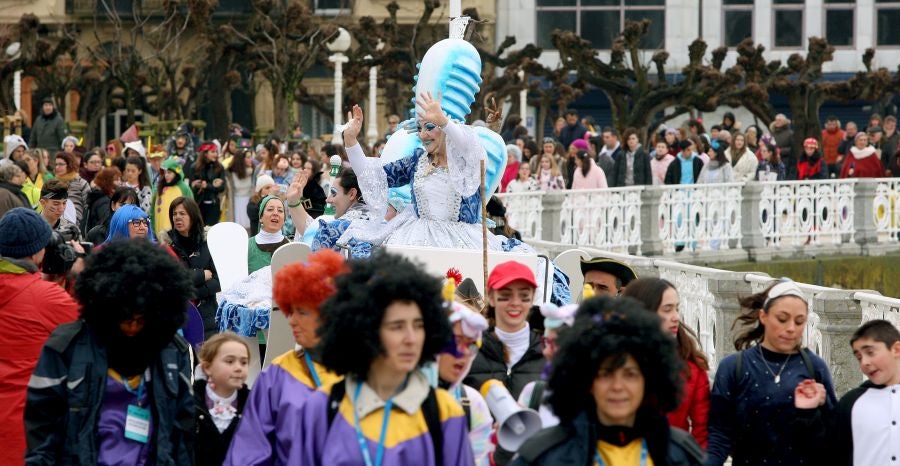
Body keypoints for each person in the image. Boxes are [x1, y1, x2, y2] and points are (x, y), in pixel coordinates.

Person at [295, 251, 474, 466]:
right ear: (367, 330)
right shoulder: (322, 407)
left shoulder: (445, 412)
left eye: (418, 326)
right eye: (397, 326)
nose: (411, 339)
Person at [24, 240, 195, 465]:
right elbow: (42, 431)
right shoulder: (65, 347)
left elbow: (182, 431)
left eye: (141, 320)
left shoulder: (171, 352)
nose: (133, 327)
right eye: (125, 318)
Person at [511, 297, 704, 466]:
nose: (617, 387)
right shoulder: (543, 456)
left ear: (649, 380)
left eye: (630, 375)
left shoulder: (681, 454)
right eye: (606, 374)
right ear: (586, 381)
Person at [223, 249, 346, 466]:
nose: (292, 321)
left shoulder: (359, 370)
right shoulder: (276, 376)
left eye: (303, 312)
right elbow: (249, 450)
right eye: (291, 311)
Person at [706, 280, 837, 466]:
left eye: (799, 321)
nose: (791, 328)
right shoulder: (734, 367)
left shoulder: (814, 367)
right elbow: (720, 433)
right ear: (763, 316)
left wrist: (820, 406)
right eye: (782, 319)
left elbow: (834, 436)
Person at [0, 208, 79, 466]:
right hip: (25, 434)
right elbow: (92, 331)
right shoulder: (48, 298)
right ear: (36, 252)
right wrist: (77, 276)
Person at [624, 278, 709, 448]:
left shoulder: (691, 367)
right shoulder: (614, 362)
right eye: (667, 309)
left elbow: (704, 431)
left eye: (677, 309)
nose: (676, 317)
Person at [824, 319, 900, 465]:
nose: (864, 363)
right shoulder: (850, 403)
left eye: (870, 353)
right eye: (859, 357)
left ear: (896, 349)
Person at [466, 261, 545, 399]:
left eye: (524, 295)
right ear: (491, 297)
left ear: (532, 298)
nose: (515, 303)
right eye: (506, 295)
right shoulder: (470, 351)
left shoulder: (548, 353)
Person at [437, 297, 494, 466]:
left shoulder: (471, 403)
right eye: (456, 341)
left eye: (471, 345)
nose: (464, 353)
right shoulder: (397, 396)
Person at [158, 197, 220, 339]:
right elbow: (172, 283)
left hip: (207, 314)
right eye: (174, 214)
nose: (177, 218)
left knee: (207, 359)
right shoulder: (167, 246)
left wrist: (188, 292)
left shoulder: (208, 242)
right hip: (179, 315)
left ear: (193, 216)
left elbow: (218, 280)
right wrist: (202, 275)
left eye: (182, 213)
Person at [516, 302, 578, 428]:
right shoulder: (533, 392)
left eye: (555, 343)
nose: (546, 351)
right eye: (546, 342)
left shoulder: (603, 399)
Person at [195, 332, 250, 466]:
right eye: (230, 361)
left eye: (244, 362)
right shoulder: (190, 401)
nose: (238, 368)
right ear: (207, 368)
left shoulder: (253, 404)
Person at [151, 157, 193, 235]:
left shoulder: (183, 188)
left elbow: (191, 209)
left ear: (176, 173)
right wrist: (153, 226)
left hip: (177, 233)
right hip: (159, 232)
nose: (166, 175)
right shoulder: (159, 188)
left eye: (169, 172)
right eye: (165, 172)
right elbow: (153, 209)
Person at [248, 194, 289, 273]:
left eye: (280, 210)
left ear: (284, 219)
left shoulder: (291, 246)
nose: (275, 213)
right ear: (261, 217)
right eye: (270, 209)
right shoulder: (247, 247)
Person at [191, 142, 228, 226]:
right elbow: (191, 187)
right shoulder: (195, 167)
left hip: (214, 205)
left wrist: (207, 186)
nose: (215, 154)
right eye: (213, 152)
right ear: (205, 153)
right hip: (199, 204)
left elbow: (222, 187)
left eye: (216, 152)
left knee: (211, 231)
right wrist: (197, 185)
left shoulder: (219, 167)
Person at [53, 151, 90, 226]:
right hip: (55, 226)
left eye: (61, 164)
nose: (57, 167)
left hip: (76, 226)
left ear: (70, 165)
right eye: (56, 164)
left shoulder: (81, 183)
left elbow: (88, 208)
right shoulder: (53, 184)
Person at [82, 166, 121, 237]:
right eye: (116, 180)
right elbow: (106, 223)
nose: (119, 182)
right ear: (107, 181)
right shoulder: (104, 202)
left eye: (119, 179)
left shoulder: (100, 197)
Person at [228, 149, 254, 229]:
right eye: (248, 157)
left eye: (251, 157)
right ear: (241, 159)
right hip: (236, 203)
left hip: (249, 202)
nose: (251, 160)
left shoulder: (253, 172)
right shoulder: (231, 174)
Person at [769, 113, 795, 179]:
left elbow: (793, 148)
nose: (777, 122)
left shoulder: (790, 133)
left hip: (785, 161)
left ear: (785, 121)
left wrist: (780, 151)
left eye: (779, 120)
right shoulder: (771, 134)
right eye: (776, 120)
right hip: (772, 161)